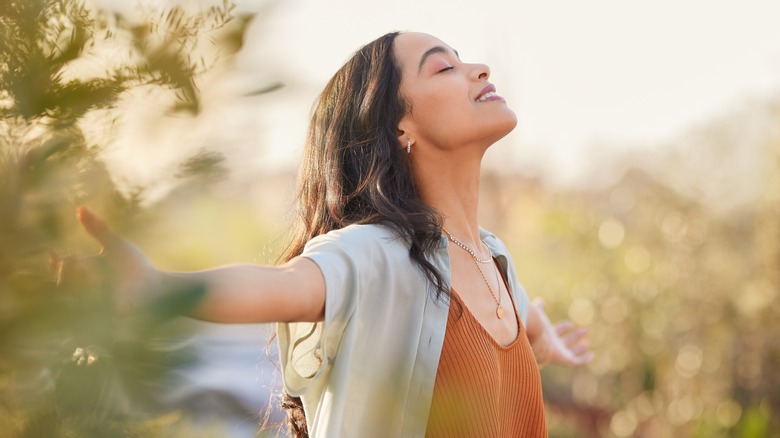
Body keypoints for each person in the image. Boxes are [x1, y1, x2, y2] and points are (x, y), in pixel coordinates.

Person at [77, 31, 592, 437]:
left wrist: (541, 335)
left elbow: (517, 314)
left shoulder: (494, 258)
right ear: (399, 128)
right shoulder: (376, 254)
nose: (479, 69)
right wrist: (157, 288)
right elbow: (284, 287)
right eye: (444, 67)